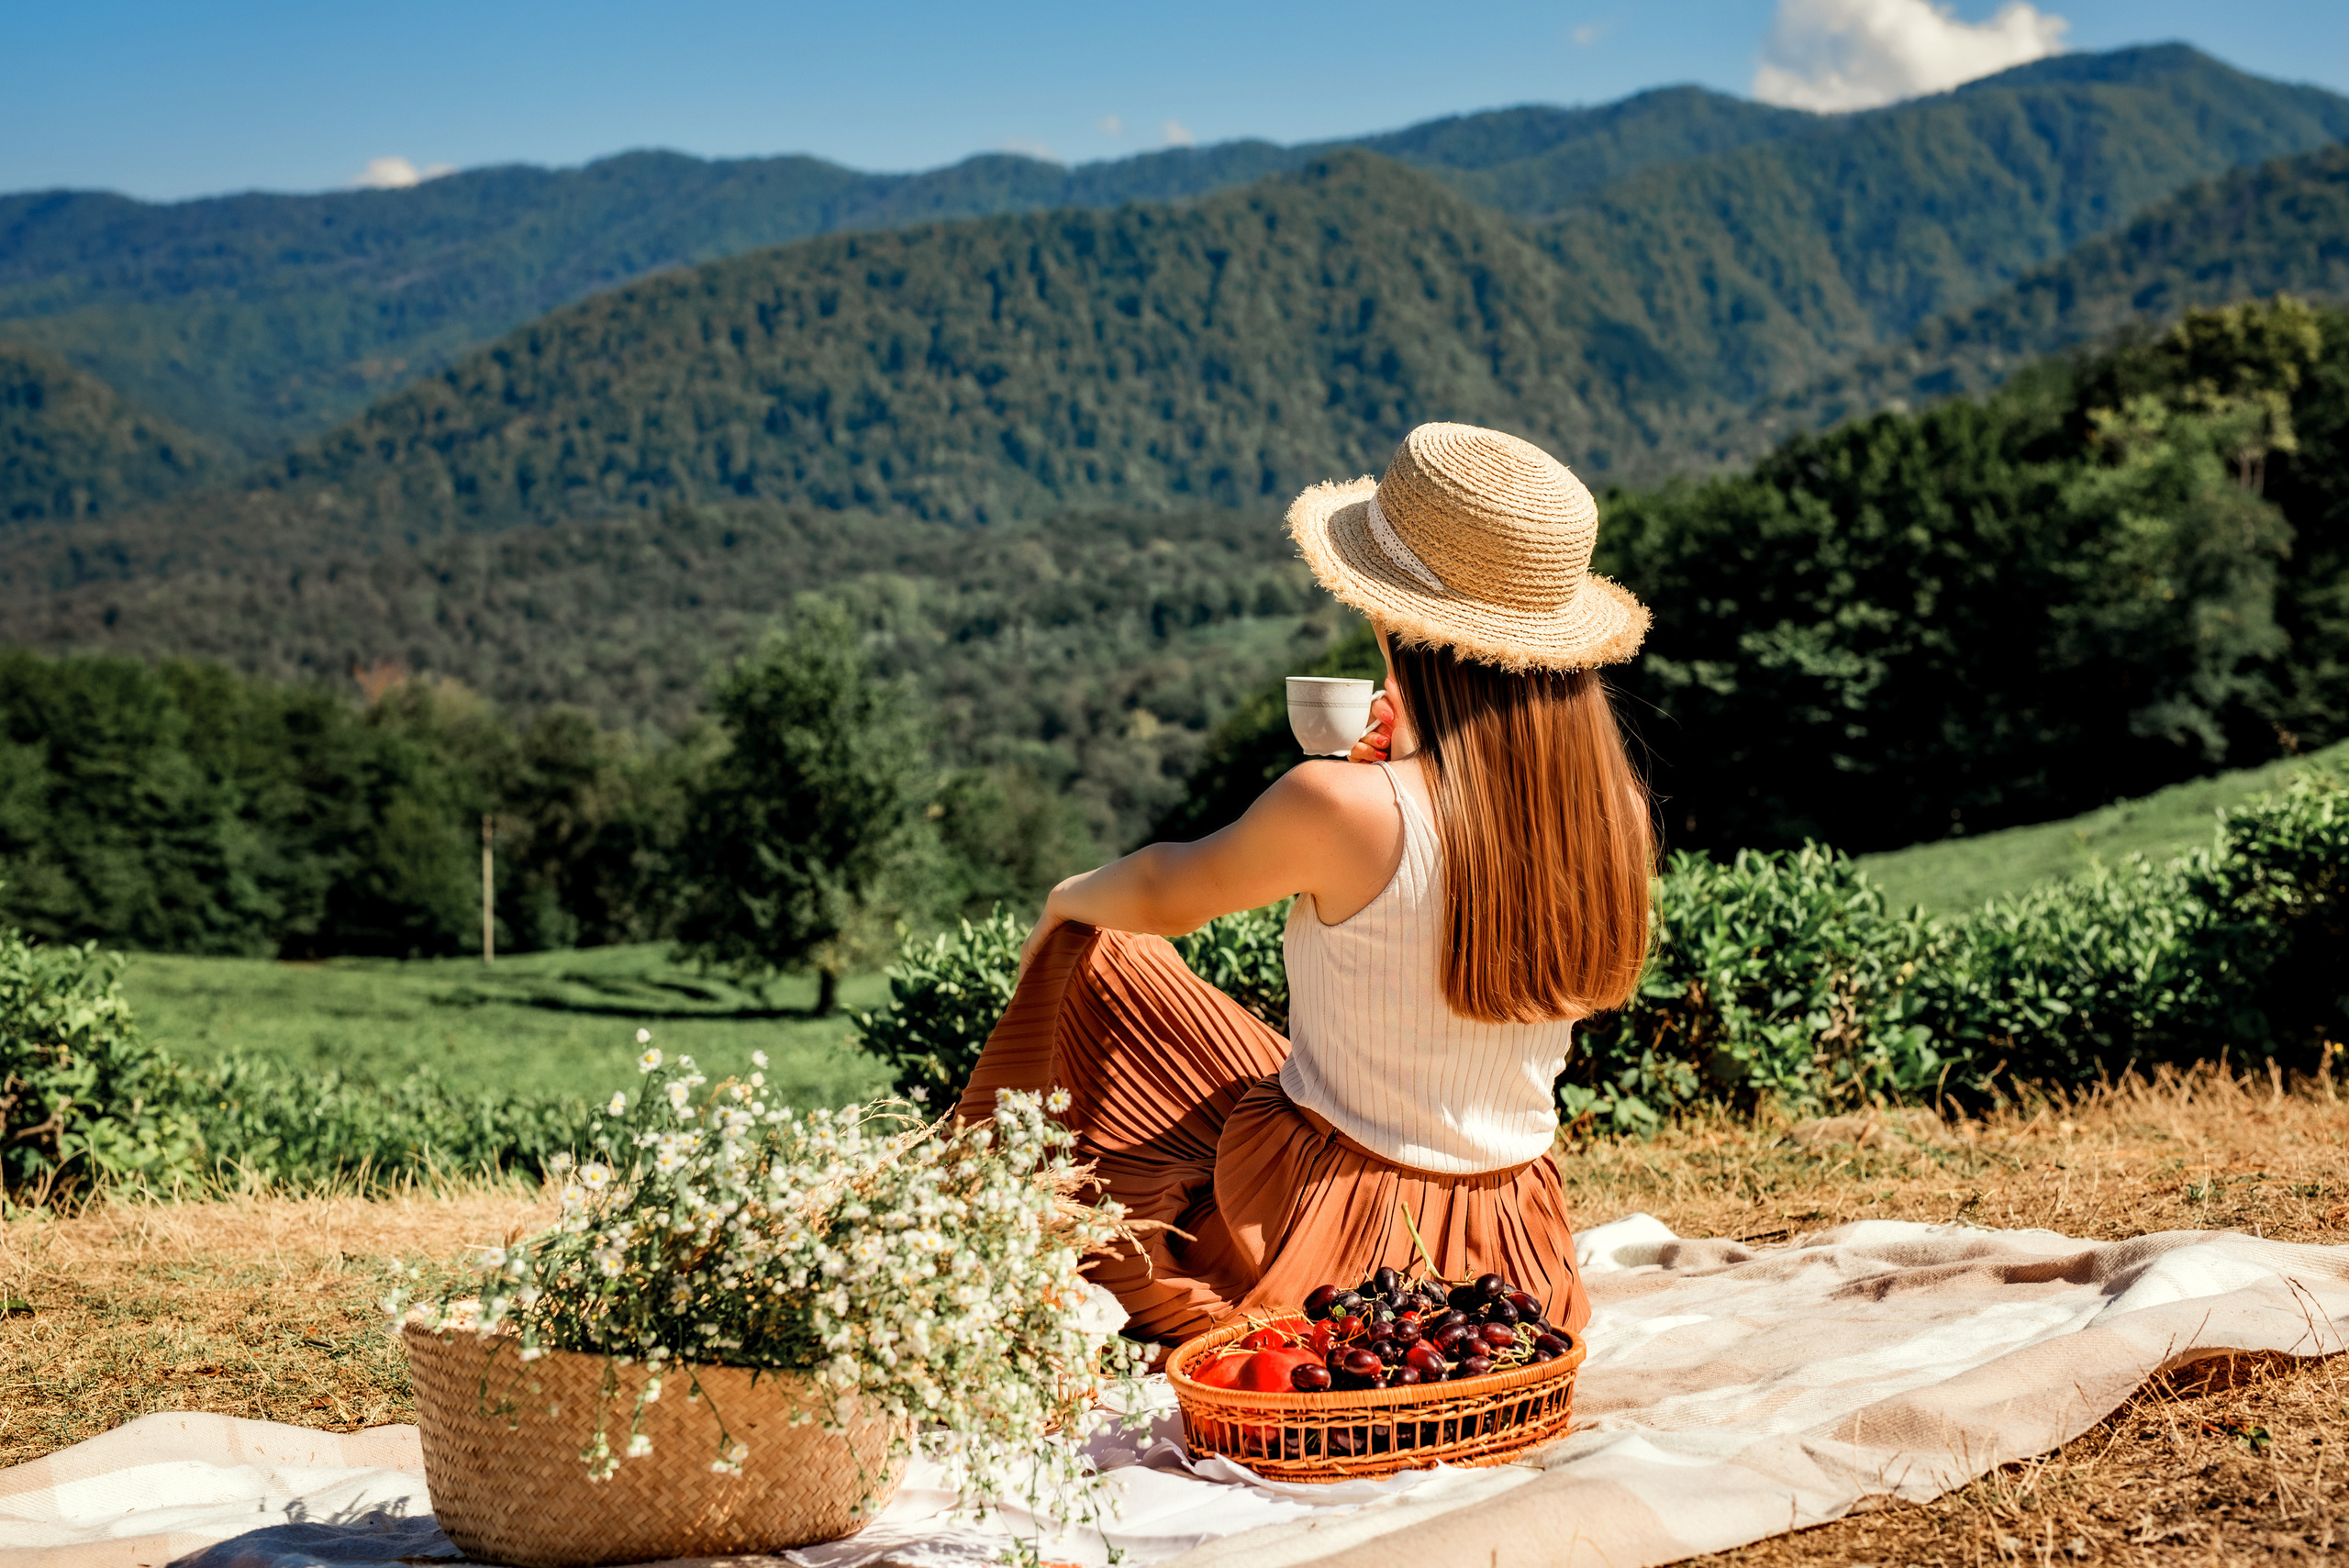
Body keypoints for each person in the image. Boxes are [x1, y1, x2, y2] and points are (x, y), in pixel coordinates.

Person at [955, 422, 1654, 1347]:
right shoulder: (1614, 809)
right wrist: (1398, 763)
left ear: (1393, 618)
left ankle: (970, 1212)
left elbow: (1166, 889)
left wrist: (1062, 901)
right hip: (1515, 1266)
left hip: (1332, 1251)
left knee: (1110, 950)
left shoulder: (1339, 802)